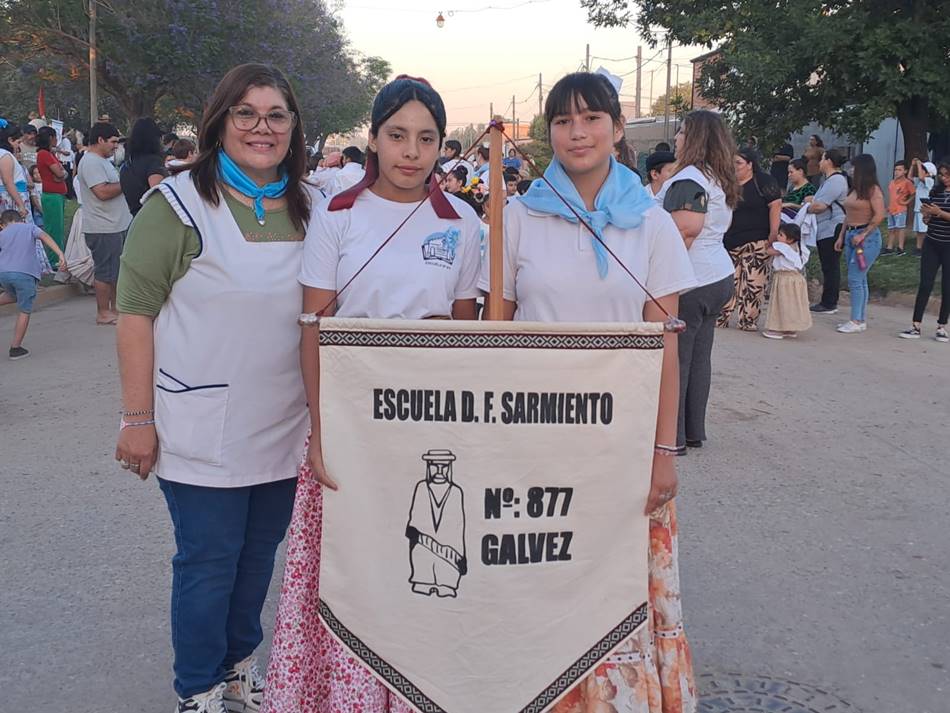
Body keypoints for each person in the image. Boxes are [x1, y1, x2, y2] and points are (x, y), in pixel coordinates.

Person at [263, 75, 482, 713]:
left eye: (427, 139)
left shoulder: (463, 223)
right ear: (375, 138)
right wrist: (322, 428)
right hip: (352, 424)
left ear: (442, 145)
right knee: (354, 571)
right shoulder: (338, 217)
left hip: (430, 427)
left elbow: (465, 336)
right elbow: (314, 327)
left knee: (425, 564)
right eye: (397, 135)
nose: (411, 152)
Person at [481, 71, 698, 713]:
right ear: (547, 134)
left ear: (617, 128)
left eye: (591, 118)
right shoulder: (517, 219)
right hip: (531, 442)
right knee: (534, 583)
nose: (577, 133)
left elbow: (665, 343)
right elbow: (495, 336)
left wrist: (664, 450)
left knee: (612, 591)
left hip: (620, 442)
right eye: (563, 121)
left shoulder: (652, 225)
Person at [115, 63, 317, 713]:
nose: (262, 127)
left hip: (283, 424)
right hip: (202, 426)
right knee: (209, 561)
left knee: (258, 556)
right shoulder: (175, 207)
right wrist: (136, 418)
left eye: (276, 115)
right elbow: (134, 313)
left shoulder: (312, 207)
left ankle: (237, 667)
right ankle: (197, 687)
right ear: (220, 121)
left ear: (293, 127)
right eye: (246, 113)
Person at [656, 110, 739, 451]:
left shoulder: (689, 179)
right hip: (717, 274)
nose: (676, 138)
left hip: (692, 280)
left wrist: (663, 279)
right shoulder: (717, 177)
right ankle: (692, 431)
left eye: (681, 132)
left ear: (694, 138)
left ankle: (671, 438)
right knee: (699, 358)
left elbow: (683, 233)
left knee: (677, 360)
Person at [718, 148, 782, 331]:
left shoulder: (763, 181)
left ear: (750, 165)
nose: (734, 166)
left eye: (738, 163)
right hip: (730, 240)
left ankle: (748, 320)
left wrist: (774, 232)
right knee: (728, 281)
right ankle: (721, 317)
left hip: (757, 240)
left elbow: (775, 205)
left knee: (754, 282)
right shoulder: (728, 184)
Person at [77, 121, 133, 325]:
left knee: (116, 272)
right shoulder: (91, 162)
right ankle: (103, 312)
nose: (116, 146)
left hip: (115, 225)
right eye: (113, 142)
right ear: (100, 140)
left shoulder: (102, 161)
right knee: (106, 272)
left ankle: (117, 309)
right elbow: (102, 192)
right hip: (104, 227)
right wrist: (126, 182)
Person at [0, 209, 67, 360]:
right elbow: (45, 237)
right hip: (24, 274)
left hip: (3, 274)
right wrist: (60, 254)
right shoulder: (29, 227)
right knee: (25, 309)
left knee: (13, 295)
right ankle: (16, 348)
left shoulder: (2, 233)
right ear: (21, 220)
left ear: (2, 224)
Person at [834, 153, 885, 334]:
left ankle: (855, 320)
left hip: (867, 239)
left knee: (855, 278)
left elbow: (879, 215)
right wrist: (841, 236)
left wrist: (863, 234)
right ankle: (859, 318)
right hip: (850, 234)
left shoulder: (873, 190)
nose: (851, 170)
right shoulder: (854, 190)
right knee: (859, 279)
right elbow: (848, 215)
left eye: (854, 167)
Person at [899, 162, 950, 342]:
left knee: (947, 286)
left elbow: (942, 214)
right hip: (932, 242)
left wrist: (939, 212)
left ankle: (942, 326)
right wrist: (927, 214)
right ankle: (916, 325)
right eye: (942, 175)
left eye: (947, 175)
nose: (944, 178)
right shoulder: (936, 191)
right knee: (925, 283)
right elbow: (929, 219)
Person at [807, 148, 849, 313]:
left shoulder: (835, 181)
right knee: (828, 265)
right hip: (826, 228)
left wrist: (807, 207)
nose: (820, 162)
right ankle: (828, 300)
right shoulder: (830, 180)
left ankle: (829, 302)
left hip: (831, 228)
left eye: (822, 159)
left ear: (829, 162)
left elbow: (820, 206)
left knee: (830, 265)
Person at [761, 223, 812, 339]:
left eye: (781, 235)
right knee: (792, 304)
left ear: (790, 239)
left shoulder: (782, 247)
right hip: (797, 279)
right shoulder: (800, 248)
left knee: (781, 303)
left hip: (784, 279)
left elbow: (769, 251)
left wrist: (770, 244)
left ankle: (777, 329)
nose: (778, 236)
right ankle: (790, 328)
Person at [120, 117, 169, 216]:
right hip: (153, 218)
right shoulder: (154, 162)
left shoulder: (126, 165)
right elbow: (158, 195)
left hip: (135, 219)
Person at [35, 126, 68, 267]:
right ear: (50, 138)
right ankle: (55, 259)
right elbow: (59, 173)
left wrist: (62, 174)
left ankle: (59, 256)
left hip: (58, 194)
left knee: (58, 227)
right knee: (54, 229)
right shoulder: (44, 154)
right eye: (55, 137)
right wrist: (61, 174)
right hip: (52, 195)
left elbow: (62, 172)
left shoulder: (50, 153)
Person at [0, 121, 33, 223]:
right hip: (12, 198)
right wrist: (20, 205)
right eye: (18, 142)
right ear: (10, 140)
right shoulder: (5, 155)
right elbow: (8, 182)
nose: (19, 146)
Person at [882, 160, 915, 256]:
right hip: (891, 209)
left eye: (900, 170)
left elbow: (913, 193)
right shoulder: (892, 182)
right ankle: (889, 247)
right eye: (896, 170)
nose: (897, 172)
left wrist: (906, 202)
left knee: (900, 228)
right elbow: (892, 196)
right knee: (891, 229)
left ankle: (900, 248)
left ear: (905, 171)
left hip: (900, 209)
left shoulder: (907, 182)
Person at [909, 158, 936, 255]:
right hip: (918, 209)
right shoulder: (920, 182)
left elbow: (921, 177)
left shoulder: (929, 181)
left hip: (924, 210)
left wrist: (919, 164)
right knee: (919, 230)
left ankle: (925, 247)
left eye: (923, 170)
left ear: (929, 173)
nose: (920, 171)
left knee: (924, 230)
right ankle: (919, 247)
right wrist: (913, 165)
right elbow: (910, 177)